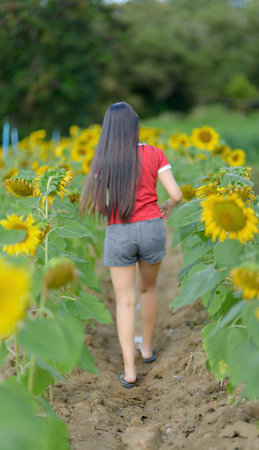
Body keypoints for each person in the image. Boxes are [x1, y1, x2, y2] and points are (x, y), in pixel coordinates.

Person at [80, 101, 182, 388]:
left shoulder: (104, 159)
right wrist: (167, 205)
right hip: (152, 227)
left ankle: (129, 371)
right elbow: (176, 193)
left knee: (125, 301)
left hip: (120, 230)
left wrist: (112, 213)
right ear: (135, 125)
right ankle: (147, 349)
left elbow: (98, 202)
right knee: (148, 289)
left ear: (108, 129)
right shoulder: (153, 153)